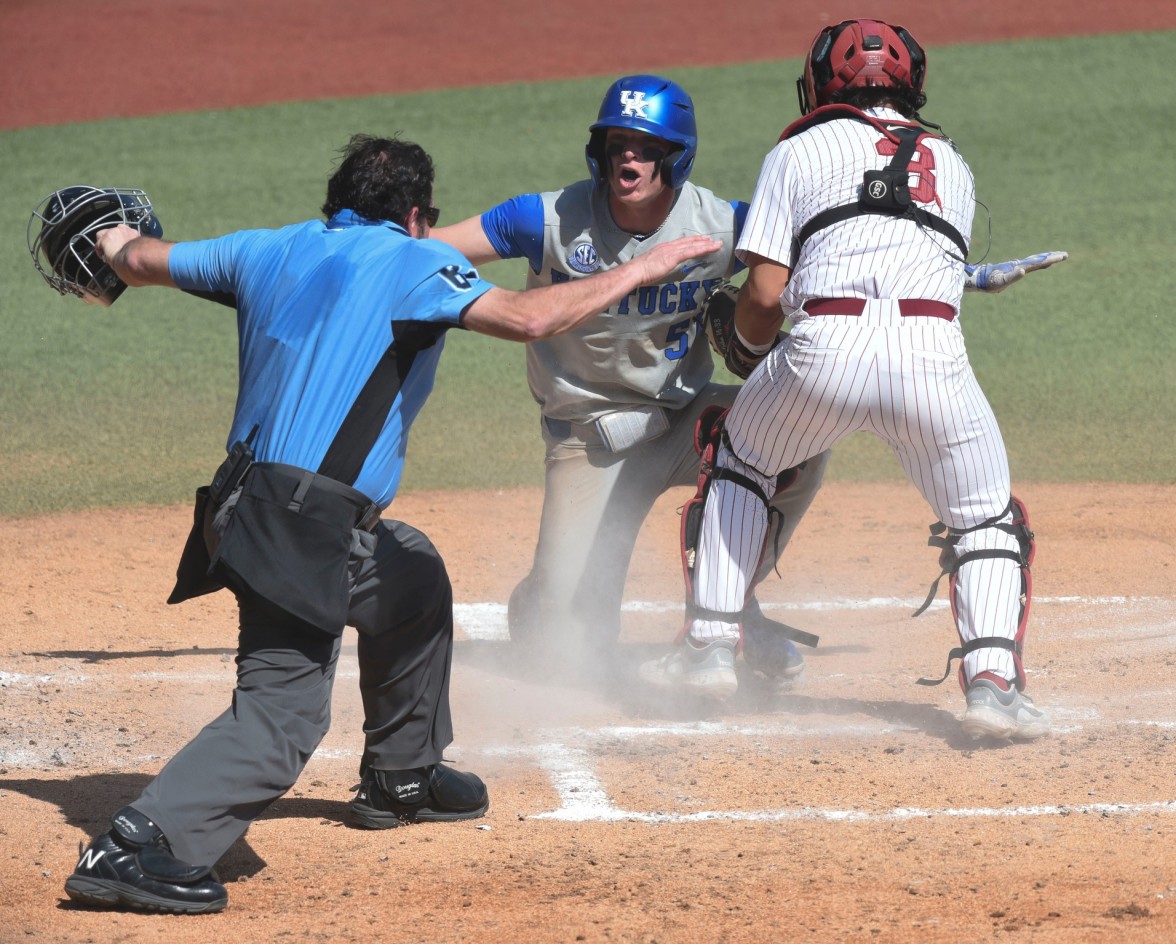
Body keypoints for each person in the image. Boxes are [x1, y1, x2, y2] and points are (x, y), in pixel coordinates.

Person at [47, 135, 720, 914]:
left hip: (253, 509)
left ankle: (403, 773)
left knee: (409, 576)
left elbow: (137, 261)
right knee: (283, 719)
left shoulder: (265, 248)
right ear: (412, 214)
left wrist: (109, 237)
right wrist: (642, 267)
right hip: (300, 526)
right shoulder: (413, 260)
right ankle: (137, 844)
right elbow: (530, 317)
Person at [435, 73, 1065, 692]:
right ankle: (543, 602)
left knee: (800, 437)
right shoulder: (543, 220)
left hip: (685, 419)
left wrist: (965, 274)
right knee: (567, 656)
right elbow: (433, 249)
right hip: (589, 437)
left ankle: (733, 604)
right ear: (598, 150)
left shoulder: (718, 224)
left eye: (647, 146)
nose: (630, 156)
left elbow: (844, 254)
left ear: (676, 157)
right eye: (618, 142)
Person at [639, 18, 1053, 742]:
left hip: (824, 349)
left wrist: (742, 342)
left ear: (820, 82)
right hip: (933, 352)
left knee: (742, 457)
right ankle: (995, 687)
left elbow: (765, 296)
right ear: (913, 84)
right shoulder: (952, 162)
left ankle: (708, 649)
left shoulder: (799, 147)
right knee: (985, 514)